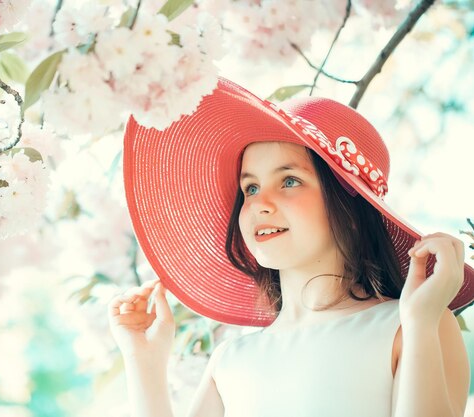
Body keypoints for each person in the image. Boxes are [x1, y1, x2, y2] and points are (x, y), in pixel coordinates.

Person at [108, 77, 473, 417]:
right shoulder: (231, 360)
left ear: (351, 210)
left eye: (290, 181)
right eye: (249, 188)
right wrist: (145, 364)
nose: (259, 203)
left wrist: (420, 323)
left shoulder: (413, 324)